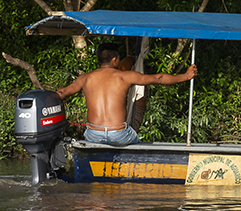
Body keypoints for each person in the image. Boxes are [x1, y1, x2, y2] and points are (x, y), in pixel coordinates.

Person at [55, 42, 197, 146]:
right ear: (115, 59)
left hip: (94, 134)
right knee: (137, 143)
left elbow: (62, 93)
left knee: (90, 136)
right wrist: (185, 76)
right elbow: (158, 78)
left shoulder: (85, 78)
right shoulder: (124, 76)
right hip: (119, 135)